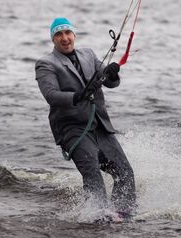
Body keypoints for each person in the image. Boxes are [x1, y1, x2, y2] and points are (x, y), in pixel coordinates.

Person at [35, 17, 136, 217]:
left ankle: (123, 215)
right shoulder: (46, 64)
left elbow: (109, 83)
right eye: (58, 34)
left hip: (100, 126)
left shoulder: (88, 54)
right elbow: (51, 96)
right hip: (73, 130)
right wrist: (78, 96)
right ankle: (96, 217)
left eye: (67, 33)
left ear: (74, 35)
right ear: (53, 39)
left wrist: (113, 74)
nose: (64, 38)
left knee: (125, 173)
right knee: (93, 175)